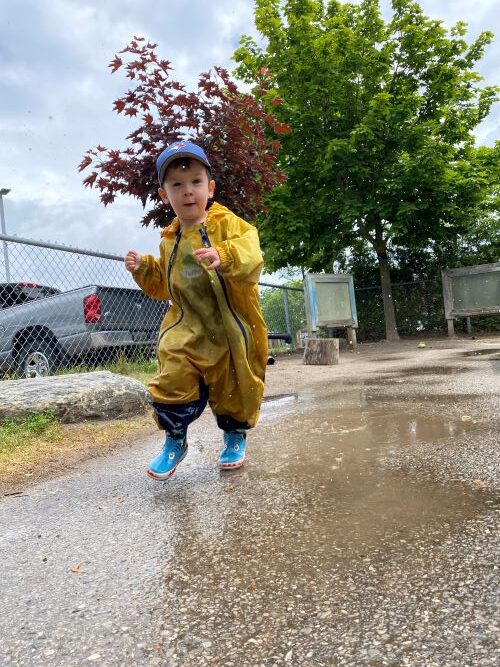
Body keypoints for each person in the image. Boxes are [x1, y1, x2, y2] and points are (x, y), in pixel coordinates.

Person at [124, 140, 268, 480]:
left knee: (236, 382)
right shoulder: (169, 239)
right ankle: (175, 440)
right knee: (172, 375)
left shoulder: (228, 225)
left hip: (230, 324)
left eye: (196, 183)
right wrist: (144, 268)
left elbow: (252, 251)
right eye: (177, 185)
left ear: (210, 187)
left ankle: (234, 435)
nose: (188, 192)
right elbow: (165, 285)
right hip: (187, 325)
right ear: (164, 195)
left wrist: (225, 255)